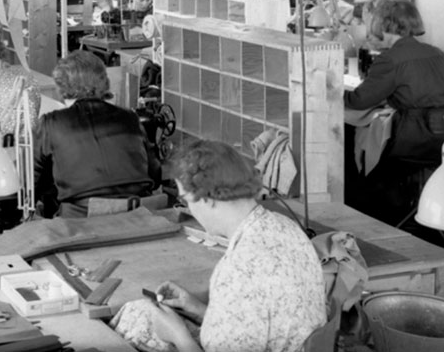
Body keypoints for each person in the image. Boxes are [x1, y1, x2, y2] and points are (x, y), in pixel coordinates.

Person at [125, 140, 326, 352]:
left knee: (137, 328)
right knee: (137, 313)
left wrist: (178, 335)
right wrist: (199, 309)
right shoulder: (285, 227)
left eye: (186, 201)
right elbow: (260, 318)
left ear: (207, 198)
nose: (190, 210)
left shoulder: (237, 271)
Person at [345, 0, 444, 221]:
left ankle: (363, 212)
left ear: (383, 23)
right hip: (442, 136)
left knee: (347, 137)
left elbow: (359, 100)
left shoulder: (389, 60)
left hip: (410, 140)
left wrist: (333, 89)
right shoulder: (436, 53)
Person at [33, 51, 158, 218]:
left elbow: (32, 182)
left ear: (61, 85)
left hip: (81, 221)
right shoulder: (130, 118)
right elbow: (155, 174)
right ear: (104, 81)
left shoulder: (51, 123)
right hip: (137, 215)